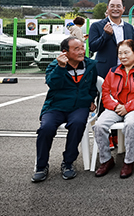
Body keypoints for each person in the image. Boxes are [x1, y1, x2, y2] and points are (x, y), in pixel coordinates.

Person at [32, 37, 98, 182]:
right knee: (46, 128)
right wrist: (61, 68)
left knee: (78, 124)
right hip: (56, 106)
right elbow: (53, 84)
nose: (82, 51)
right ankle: (41, 166)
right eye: (77, 49)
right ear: (65, 52)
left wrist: (90, 100)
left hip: (79, 106)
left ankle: (68, 163)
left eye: (82, 47)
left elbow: (93, 87)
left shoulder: (91, 65)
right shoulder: (55, 65)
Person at [93, 39, 134, 178]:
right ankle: (106, 160)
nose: (123, 56)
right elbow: (105, 92)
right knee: (99, 125)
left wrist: (128, 107)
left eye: (126, 52)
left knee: (131, 124)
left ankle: (128, 161)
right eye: (120, 53)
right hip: (116, 107)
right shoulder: (113, 71)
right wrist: (115, 106)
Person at [89, 0, 134, 78]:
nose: (115, 9)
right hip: (105, 70)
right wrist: (105, 35)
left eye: (118, 6)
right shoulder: (96, 25)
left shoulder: (129, 27)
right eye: (112, 6)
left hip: (126, 69)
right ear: (107, 8)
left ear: (123, 9)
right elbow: (93, 47)